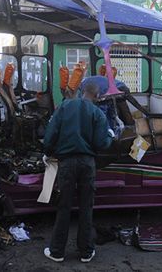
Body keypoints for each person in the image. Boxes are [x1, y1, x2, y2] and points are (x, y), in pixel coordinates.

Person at [43, 82, 112, 264]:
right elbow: (100, 143)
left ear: (82, 92)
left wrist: (48, 152)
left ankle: (57, 252)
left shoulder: (65, 107)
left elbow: (50, 135)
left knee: (64, 207)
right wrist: (110, 138)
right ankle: (86, 252)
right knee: (86, 207)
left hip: (66, 163)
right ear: (97, 96)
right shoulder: (98, 113)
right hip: (88, 164)